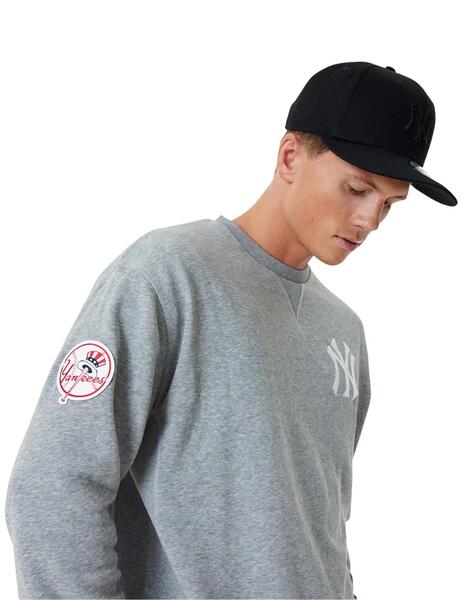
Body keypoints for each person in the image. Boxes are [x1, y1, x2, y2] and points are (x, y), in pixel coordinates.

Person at [5, 61, 457, 600]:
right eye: (357, 188)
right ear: (290, 156)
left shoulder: (343, 331)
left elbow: (317, 526)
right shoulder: (167, 277)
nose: (369, 220)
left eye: (388, 204)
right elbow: (52, 488)